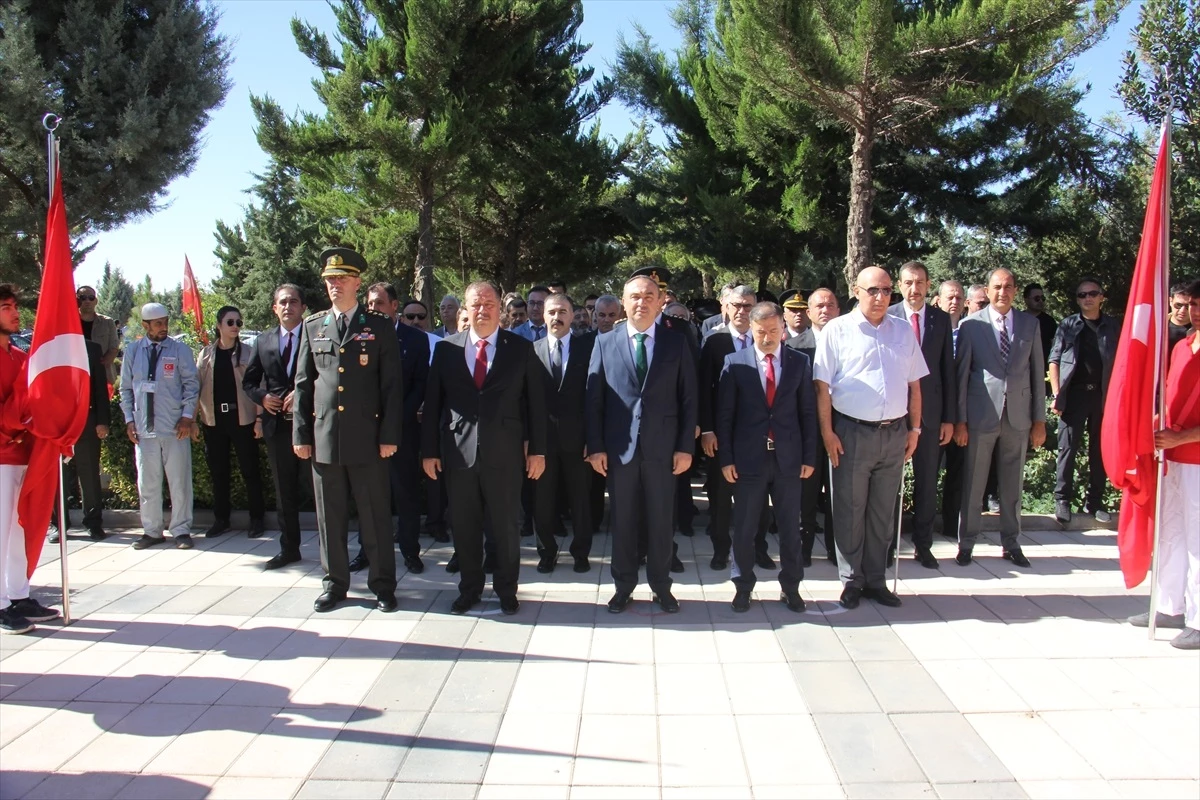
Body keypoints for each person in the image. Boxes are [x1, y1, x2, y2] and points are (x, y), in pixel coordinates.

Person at [422, 280, 547, 615]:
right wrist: (429, 451)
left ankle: (507, 590)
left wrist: (537, 450)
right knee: (463, 526)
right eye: (475, 304)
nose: (482, 310)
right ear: (466, 309)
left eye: (489, 303)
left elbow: (535, 404)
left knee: (506, 526)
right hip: (458, 453)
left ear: (500, 309)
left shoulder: (520, 349)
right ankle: (469, 589)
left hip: (505, 455)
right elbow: (434, 403)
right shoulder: (448, 348)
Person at [293, 248, 402, 613]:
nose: (334, 285)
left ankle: (383, 584)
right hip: (325, 439)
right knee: (330, 517)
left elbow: (391, 388)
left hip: (368, 439)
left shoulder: (379, 327)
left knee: (374, 517)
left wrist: (389, 436)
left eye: (341, 279)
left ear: (357, 282)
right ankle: (335, 584)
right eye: (329, 280)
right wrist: (301, 435)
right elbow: (304, 385)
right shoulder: (314, 326)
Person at [814, 267, 926, 609]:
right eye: (873, 290)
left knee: (882, 512)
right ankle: (851, 580)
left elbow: (915, 385)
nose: (880, 297)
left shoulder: (903, 331)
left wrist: (915, 429)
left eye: (886, 290)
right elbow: (822, 387)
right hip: (851, 432)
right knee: (849, 509)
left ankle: (876, 580)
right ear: (856, 291)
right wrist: (827, 433)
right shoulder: (837, 330)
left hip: (894, 432)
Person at [587, 271, 697, 614]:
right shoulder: (605, 342)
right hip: (619, 451)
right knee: (622, 520)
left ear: (660, 301)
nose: (642, 302)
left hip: (663, 450)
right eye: (635, 296)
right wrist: (596, 447)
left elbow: (689, 399)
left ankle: (661, 587)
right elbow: (594, 400)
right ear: (623, 302)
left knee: (662, 520)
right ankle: (623, 586)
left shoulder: (675, 342)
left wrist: (685, 447)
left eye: (649, 296)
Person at [716, 302, 817, 613]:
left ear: (782, 329)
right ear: (752, 330)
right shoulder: (735, 363)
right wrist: (726, 459)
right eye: (761, 332)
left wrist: (809, 456)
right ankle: (742, 587)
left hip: (788, 459)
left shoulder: (799, 362)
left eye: (774, 331)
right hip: (749, 460)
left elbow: (808, 413)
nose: (768, 337)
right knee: (745, 528)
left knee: (789, 527)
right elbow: (725, 416)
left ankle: (791, 588)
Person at [954, 267, 1047, 568]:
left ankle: (1011, 542)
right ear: (988, 290)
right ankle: (966, 543)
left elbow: (1036, 374)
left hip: (1018, 417)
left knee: (1012, 485)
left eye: (1008, 287)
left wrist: (1039, 420)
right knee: (974, 484)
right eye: (997, 287)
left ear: (1015, 290)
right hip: (981, 416)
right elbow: (962, 377)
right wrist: (960, 420)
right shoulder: (971, 326)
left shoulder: (1029, 324)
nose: (1002, 292)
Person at [1129, 279, 1200, 650]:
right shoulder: (1183, 346)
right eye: (1192, 304)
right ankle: (1170, 606)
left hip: (1196, 458)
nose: (1194, 311)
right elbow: (1172, 399)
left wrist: (1182, 438)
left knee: (1198, 539)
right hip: (1173, 458)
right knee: (1171, 534)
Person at [357, 282, 430, 574]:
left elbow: (420, 384)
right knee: (367, 494)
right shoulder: (360, 335)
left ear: (394, 306)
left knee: (405, 493)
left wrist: (396, 417)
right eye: (371, 304)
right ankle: (366, 551)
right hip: (366, 430)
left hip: (401, 429)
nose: (374, 309)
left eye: (380, 304)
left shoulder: (415, 339)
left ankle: (410, 552)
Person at [0, 284, 60, 634]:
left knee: (20, 528)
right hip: (2, 455)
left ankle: (18, 594)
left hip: (27, 455)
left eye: (14, 305)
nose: (14, 311)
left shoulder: (21, 358)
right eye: (5, 306)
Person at [888, 262, 956, 569]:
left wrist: (949, 418)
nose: (914, 289)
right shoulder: (887, 316)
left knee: (927, 482)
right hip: (894, 415)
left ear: (928, 285)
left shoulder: (941, 319)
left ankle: (923, 545)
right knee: (889, 483)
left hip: (930, 416)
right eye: (908, 283)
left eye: (919, 283)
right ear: (900, 286)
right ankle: (887, 545)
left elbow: (947, 371)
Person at [700, 285, 773, 571]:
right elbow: (703, 389)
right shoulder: (714, 342)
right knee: (720, 495)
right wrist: (707, 429)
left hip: (759, 435)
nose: (742, 311)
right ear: (726, 308)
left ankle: (760, 548)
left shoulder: (766, 340)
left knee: (759, 495)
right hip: (722, 434)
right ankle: (721, 549)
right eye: (737, 305)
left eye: (747, 306)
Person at [242, 284, 312, 570]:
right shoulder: (263, 341)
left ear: (303, 307)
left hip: (310, 425)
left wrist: (305, 390)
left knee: (320, 491)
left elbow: (327, 374)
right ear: (274, 308)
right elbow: (249, 381)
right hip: (277, 428)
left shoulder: (315, 335)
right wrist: (263, 397)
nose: (288, 306)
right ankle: (289, 549)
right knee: (284, 493)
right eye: (282, 302)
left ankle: (334, 551)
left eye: (293, 301)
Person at [121, 303, 200, 550]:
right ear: (145, 325)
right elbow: (125, 389)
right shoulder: (133, 351)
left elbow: (191, 385)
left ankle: (181, 530)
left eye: (165, 322)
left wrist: (187, 416)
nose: (163, 327)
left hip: (175, 427)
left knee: (179, 482)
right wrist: (128, 420)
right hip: (145, 429)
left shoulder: (179, 350)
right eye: (157, 324)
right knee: (148, 482)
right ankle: (152, 531)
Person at [532, 293, 596, 573]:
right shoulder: (531, 351)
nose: (556, 317)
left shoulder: (590, 349)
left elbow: (595, 398)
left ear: (573, 315)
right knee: (543, 501)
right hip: (543, 442)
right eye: (551, 312)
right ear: (543, 316)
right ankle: (546, 552)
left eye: (562, 312)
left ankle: (581, 552)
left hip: (578, 440)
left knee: (580, 500)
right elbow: (526, 401)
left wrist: (593, 440)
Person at [1048, 277, 1117, 525]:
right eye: (1082, 295)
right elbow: (1054, 360)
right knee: (1067, 448)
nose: (1087, 298)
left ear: (1101, 297)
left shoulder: (1112, 326)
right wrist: (1057, 394)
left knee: (1099, 450)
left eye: (1092, 293)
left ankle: (1094, 502)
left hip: (1102, 396)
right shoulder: (1068, 325)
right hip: (1074, 395)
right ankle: (1062, 500)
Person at [194, 305, 267, 539]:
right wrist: (192, 419)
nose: (235, 326)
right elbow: (195, 388)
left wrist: (258, 419)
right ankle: (221, 520)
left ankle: (257, 520)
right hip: (214, 420)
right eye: (230, 322)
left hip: (243, 419)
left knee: (250, 471)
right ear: (218, 325)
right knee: (219, 472)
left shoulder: (248, 353)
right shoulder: (206, 354)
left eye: (238, 322)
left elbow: (258, 387)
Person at [795, 287, 839, 564]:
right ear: (808, 312)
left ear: (838, 310)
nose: (825, 310)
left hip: (841, 430)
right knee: (805, 497)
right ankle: (804, 550)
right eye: (819, 306)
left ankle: (838, 552)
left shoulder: (849, 343)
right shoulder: (794, 346)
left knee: (838, 496)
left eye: (830, 305)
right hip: (806, 433)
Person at [50, 338, 110, 542]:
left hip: (87, 418)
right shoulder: (49, 345)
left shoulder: (92, 348)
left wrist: (102, 421)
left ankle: (93, 523)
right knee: (58, 474)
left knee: (89, 473)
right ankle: (59, 525)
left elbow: (100, 387)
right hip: (58, 422)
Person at [937, 280, 969, 542]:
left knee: (958, 471)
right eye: (950, 297)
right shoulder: (932, 328)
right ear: (938, 299)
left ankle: (951, 525)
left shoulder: (971, 331)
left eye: (959, 298)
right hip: (934, 414)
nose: (954, 302)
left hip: (963, 414)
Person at [76, 285, 120, 389]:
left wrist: (99, 366)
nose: (87, 301)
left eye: (91, 298)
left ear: (95, 301)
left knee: (102, 405)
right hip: (76, 374)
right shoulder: (69, 322)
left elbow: (114, 347)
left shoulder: (107, 322)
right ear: (76, 300)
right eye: (83, 298)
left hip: (102, 375)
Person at [1024, 283, 1058, 372]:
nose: (1040, 301)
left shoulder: (1049, 322)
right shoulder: (1018, 320)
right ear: (1026, 300)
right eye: (1036, 298)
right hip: (1022, 369)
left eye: (1042, 298)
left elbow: (1055, 348)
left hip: (1044, 369)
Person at [1167, 282, 1192, 361]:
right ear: (1170, 301)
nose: (1182, 310)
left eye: (1188, 306)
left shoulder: (1197, 332)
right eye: (1178, 305)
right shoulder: (1157, 327)